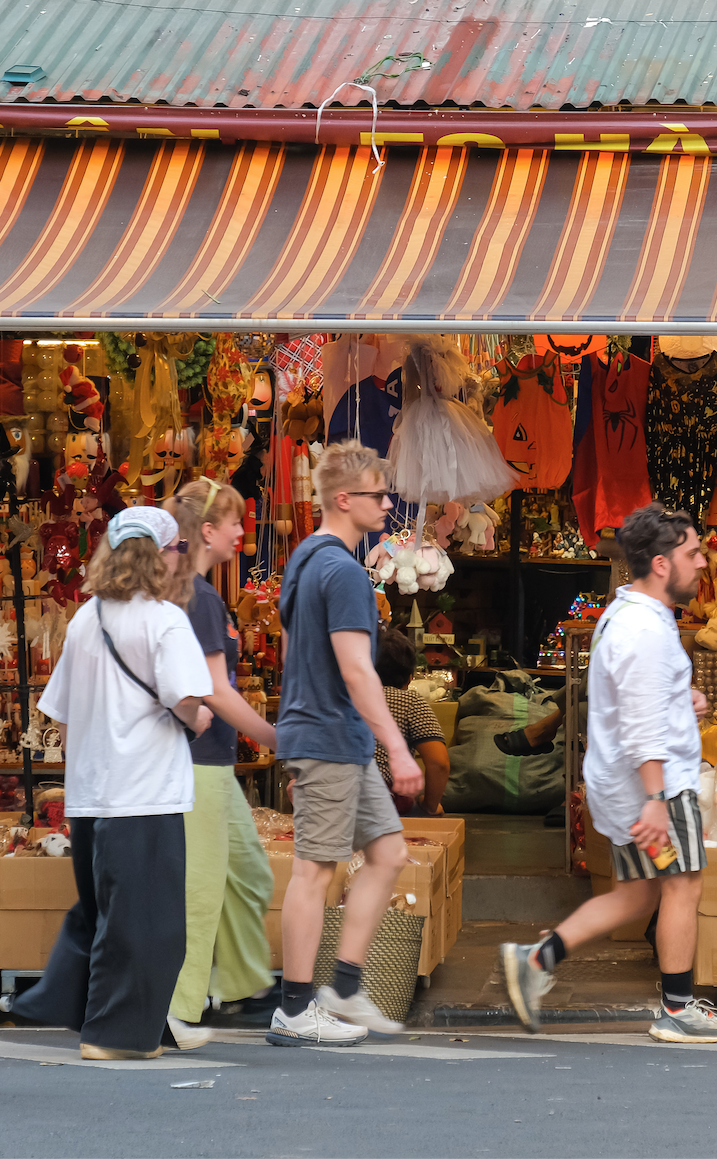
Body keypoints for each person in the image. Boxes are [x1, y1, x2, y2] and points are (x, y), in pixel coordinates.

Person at [501, 502, 717, 1044]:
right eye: (692, 553)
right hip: (651, 790)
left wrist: (682, 700)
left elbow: (638, 697)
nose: (703, 562)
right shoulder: (645, 630)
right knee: (683, 883)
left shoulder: (628, 613)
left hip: (626, 787)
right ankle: (679, 1010)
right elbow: (639, 726)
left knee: (640, 893)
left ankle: (536, 959)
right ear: (661, 563)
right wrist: (656, 802)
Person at [11, 506, 214, 1060]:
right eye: (176, 551)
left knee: (110, 916)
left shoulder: (85, 620)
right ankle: (112, 1035)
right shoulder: (165, 621)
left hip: (92, 793)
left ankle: (99, 1022)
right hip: (144, 790)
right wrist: (197, 718)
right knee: (151, 923)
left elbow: (63, 710)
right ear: (162, 556)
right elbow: (187, 699)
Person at [269, 441, 424, 1047]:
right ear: (343, 498)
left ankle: (344, 987)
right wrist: (401, 748)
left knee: (386, 855)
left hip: (331, 736)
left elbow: (292, 652)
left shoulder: (306, 559)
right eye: (377, 495)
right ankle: (295, 1008)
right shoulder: (343, 572)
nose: (387, 504)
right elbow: (358, 670)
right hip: (334, 736)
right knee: (315, 870)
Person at [161, 479, 284, 1047]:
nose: (242, 530)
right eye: (234, 522)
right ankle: (179, 1007)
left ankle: (237, 983)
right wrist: (273, 736)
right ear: (207, 532)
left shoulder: (191, 593)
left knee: (248, 872)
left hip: (205, 763)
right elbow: (216, 690)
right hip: (198, 765)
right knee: (203, 888)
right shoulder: (202, 599)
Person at [372, 627, 449, 815]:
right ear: (409, 678)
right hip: (383, 801)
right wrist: (429, 807)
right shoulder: (411, 702)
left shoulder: (339, 700)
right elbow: (439, 763)